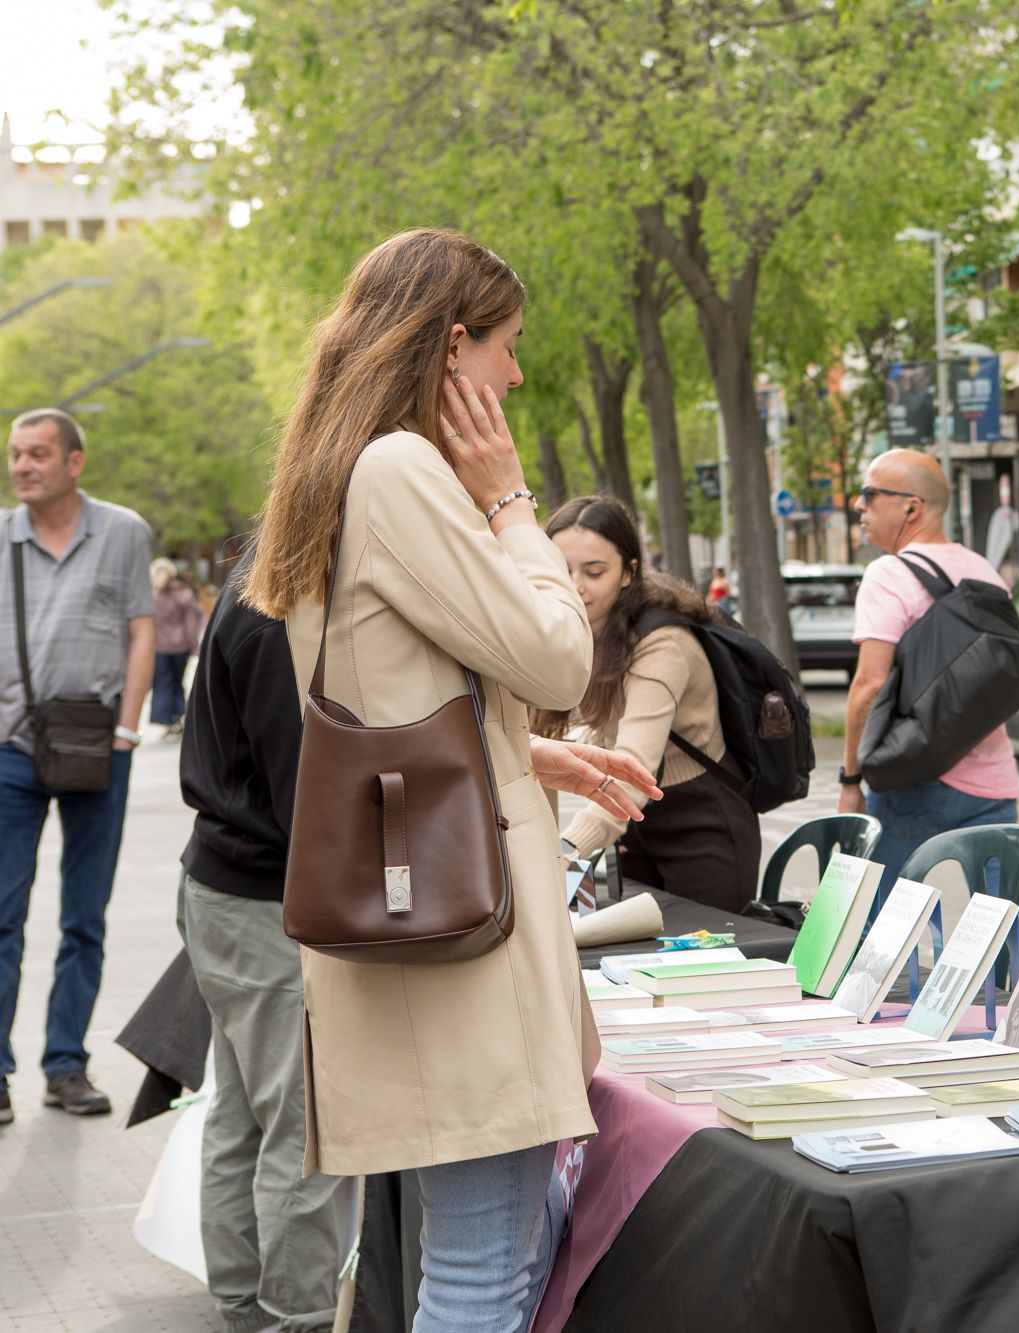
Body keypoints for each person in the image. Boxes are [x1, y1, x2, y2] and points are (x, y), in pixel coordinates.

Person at [242, 227, 661, 1331]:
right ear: (455, 344)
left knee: (480, 1264)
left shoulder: (342, 465)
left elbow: (384, 696)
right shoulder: (402, 469)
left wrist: (522, 750)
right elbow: (559, 656)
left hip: (429, 906)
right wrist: (514, 502)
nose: (516, 377)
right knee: (480, 1275)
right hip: (464, 932)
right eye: (509, 349)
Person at [177, 564, 344, 1333]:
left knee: (243, 1111)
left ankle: (245, 1300)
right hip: (261, 897)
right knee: (300, 1124)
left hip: (224, 885)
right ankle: (296, 1312)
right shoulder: (284, 611)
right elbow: (302, 793)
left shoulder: (259, 579)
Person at [0, 407, 154, 1126]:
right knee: (2, 916)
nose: (23, 465)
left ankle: (66, 1063)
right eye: (16, 454)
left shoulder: (122, 531)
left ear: (74, 462)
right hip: (10, 753)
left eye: (37, 453)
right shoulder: (0, 539)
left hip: (99, 748)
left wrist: (127, 731)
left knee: (83, 917)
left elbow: (141, 630)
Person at [534, 496, 760, 912]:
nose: (576, 585)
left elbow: (634, 767)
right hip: (633, 826)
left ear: (628, 573)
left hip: (703, 826)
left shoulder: (662, 645)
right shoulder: (580, 632)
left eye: (594, 571)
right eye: (561, 570)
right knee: (629, 967)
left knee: (701, 970)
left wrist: (567, 849)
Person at [840, 448, 1019, 880]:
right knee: (1004, 927)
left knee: (871, 922)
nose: (858, 505)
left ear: (911, 507)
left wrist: (850, 782)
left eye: (869, 494)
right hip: (995, 781)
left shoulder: (888, 574)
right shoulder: (983, 572)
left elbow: (869, 684)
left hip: (913, 780)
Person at [151, 557, 206, 734]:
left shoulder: (151, 595)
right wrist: (194, 644)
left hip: (160, 648)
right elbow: (193, 620)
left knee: (163, 684)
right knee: (177, 682)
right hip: (181, 647)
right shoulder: (183, 592)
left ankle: (169, 722)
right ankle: (178, 717)